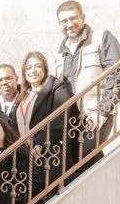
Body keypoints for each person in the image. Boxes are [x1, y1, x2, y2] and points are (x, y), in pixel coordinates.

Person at [56, 0, 120, 159]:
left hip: (95, 115)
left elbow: (116, 76)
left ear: (83, 18)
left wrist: (102, 112)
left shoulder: (101, 38)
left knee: (83, 157)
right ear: (59, 24)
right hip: (72, 121)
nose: (69, 24)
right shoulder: (61, 53)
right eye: (64, 21)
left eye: (73, 18)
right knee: (83, 164)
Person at [16, 49, 75, 193]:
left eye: (38, 66)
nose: (33, 71)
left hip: (50, 153)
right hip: (27, 157)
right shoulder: (24, 95)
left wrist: (39, 142)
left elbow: (59, 120)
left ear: (45, 69)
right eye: (28, 68)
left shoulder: (56, 87)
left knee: (51, 197)